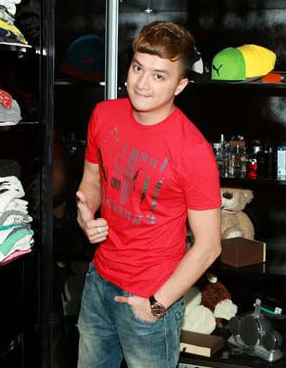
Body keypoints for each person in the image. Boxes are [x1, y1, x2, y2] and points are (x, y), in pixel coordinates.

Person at [75, 20, 221, 368]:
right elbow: (91, 181)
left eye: (159, 76)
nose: (142, 83)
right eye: (138, 68)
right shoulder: (104, 115)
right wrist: (87, 215)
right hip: (99, 281)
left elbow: (209, 246)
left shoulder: (193, 151)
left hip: (150, 296)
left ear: (180, 85)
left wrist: (156, 304)